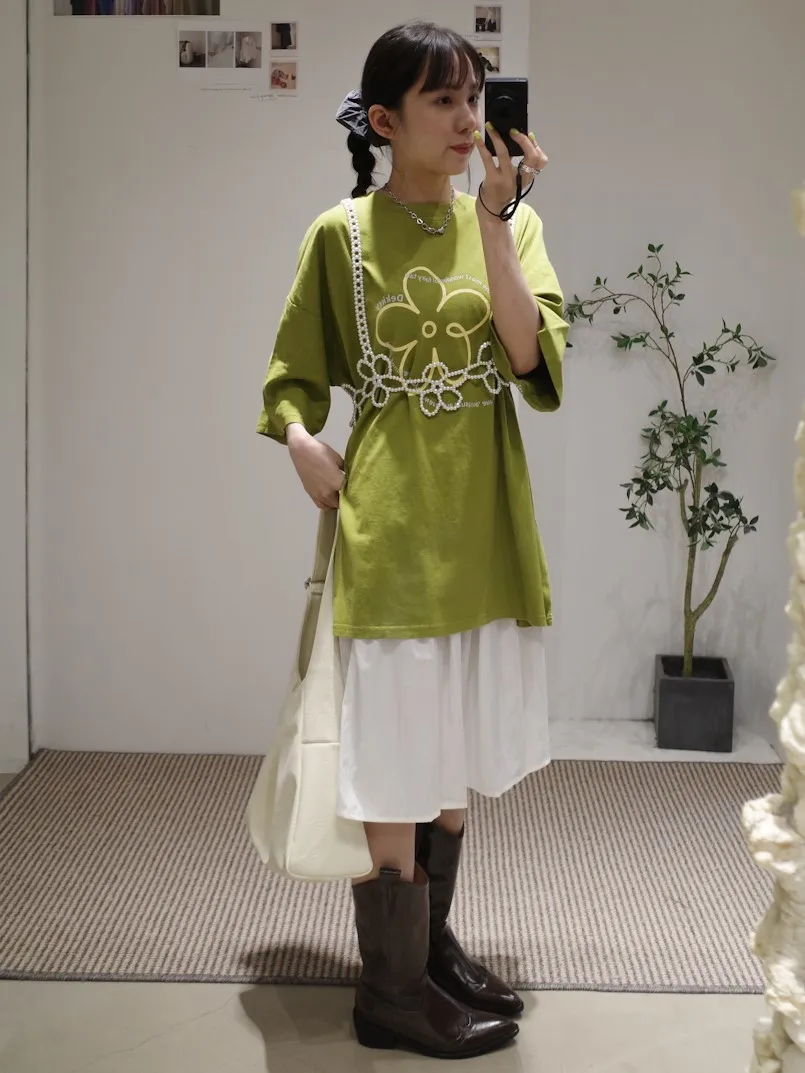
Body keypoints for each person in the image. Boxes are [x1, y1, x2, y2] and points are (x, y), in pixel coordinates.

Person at [256, 19, 567, 1060]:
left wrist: (495, 222)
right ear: (385, 121)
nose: (468, 117)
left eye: (474, 96)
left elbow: (529, 359)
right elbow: (291, 374)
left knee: (454, 748)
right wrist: (300, 440)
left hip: (484, 522)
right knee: (394, 751)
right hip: (390, 524)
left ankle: (427, 953)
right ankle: (390, 990)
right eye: (443, 99)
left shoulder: (512, 224)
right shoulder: (339, 236)